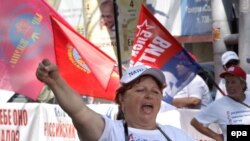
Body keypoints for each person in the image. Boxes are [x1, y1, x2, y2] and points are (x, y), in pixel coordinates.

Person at [36, 59, 194, 141]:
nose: (149, 96)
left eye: (155, 92)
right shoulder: (111, 132)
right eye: (140, 90)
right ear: (122, 99)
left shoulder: (177, 136)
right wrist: (55, 82)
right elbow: (79, 111)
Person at [190, 66, 250, 141]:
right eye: (227, 82)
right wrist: (217, 137)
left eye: (233, 82)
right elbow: (196, 122)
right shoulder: (218, 105)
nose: (229, 86)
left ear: (243, 84)